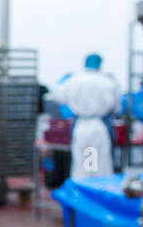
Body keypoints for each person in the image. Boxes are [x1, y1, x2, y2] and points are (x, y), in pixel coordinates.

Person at [48, 53, 120, 181]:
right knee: (100, 165)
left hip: (81, 126)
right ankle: (97, 192)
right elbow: (117, 107)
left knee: (84, 165)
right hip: (99, 126)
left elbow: (57, 97)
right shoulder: (108, 81)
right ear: (100, 64)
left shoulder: (74, 80)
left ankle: (83, 193)